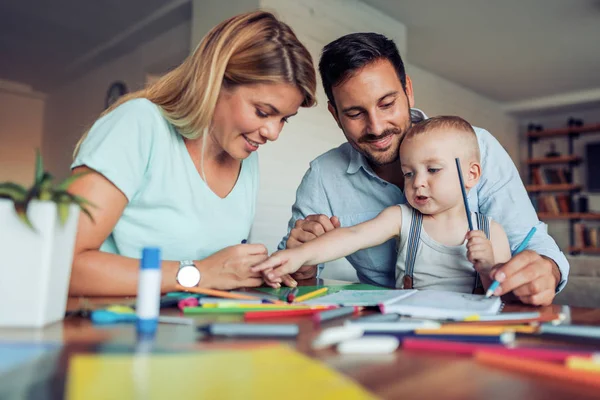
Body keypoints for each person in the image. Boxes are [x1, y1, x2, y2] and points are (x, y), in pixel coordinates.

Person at [276, 32, 568, 306]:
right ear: (335, 115)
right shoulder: (324, 177)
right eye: (355, 113)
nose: (376, 127)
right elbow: (295, 276)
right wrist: (300, 265)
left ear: (408, 92)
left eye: (387, 104)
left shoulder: (476, 147)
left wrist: (546, 269)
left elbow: (530, 242)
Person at [67, 11, 316, 296]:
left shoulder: (244, 154)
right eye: (262, 112)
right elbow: (62, 264)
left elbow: (219, 271)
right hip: (109, 331)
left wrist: (280, 265)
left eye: (284, 118)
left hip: (196, 333)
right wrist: (198, 273)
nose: (273, 133)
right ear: (216, 81)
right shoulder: (138, 123)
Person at [254, 116, 512, 293]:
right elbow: (351, 236)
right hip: (412, 325)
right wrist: (297, 255)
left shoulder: (493, 232)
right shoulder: (401, 217)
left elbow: (505, 294)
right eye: (409, 173)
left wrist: (489, 267)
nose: (418, 182)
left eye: (433, 169)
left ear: (472, 174)